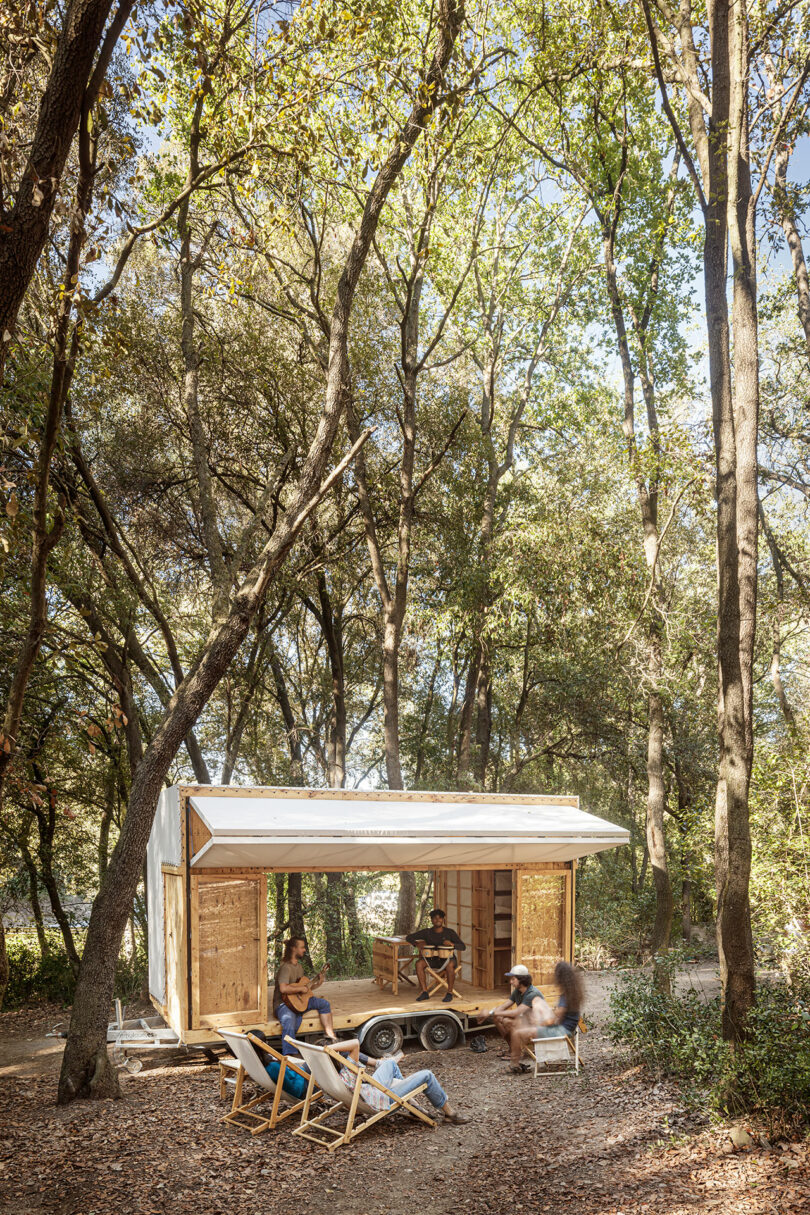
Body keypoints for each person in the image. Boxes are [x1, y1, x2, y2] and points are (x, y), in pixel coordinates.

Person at [328, 1038, 469, 1124]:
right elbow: (355, 1044)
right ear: (337, 1056)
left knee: (390, 1064)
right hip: (379, 1099)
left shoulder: (331, 1075)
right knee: (427, 1075)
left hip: (368, 1092)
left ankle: (412, 1104)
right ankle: (450, 1114)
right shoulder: (348, 1071)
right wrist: (328, 1049)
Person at [507, 960, 585, 1070]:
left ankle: (514, 1065)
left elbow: (552, 1020)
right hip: (567, 1029)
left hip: (562, 1031)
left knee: (517, 1033)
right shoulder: (572, 992)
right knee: (522, 1026)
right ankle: (518, 1061)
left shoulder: (566, 996)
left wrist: (539, 1023)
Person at [273, 937, 338, 1056]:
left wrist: (319, 982)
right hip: (283, 1003)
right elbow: (283, 988)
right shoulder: (286, 967)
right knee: (289, 1020)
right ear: (294, 948)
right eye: (302, 947)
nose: (304, 950)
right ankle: (290, 1055)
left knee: (324, 1004)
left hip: (298, 1001)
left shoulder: (299, 967)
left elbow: (305, 988)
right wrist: (301, 988)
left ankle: (330, 1036)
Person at [476, 964, 551, 1067]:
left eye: (513, 979)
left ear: (522, 980)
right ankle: (512, 1049)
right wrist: (489, 1013)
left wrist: (491, 1013)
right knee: (497, 1018)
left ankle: (517, 1052)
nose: (510, 982)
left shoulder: (532, 994)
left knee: (507, 1021)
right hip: (527, 1023)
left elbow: (516, 1012)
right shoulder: (517, 991)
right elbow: (503, 1007)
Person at [406, 908, 466, 1002]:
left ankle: (449, 993)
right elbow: (409, 937)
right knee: (418, 964)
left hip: (448, 960)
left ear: (443, 919)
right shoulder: (427, 932)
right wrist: (417, 944)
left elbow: (463, 947)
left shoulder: (449, 932)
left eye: (440, 918)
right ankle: (425, 992)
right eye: (435, 918)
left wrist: (452, 944)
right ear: (431, 920)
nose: (437, 920)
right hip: (432, 960)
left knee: (450, 966)